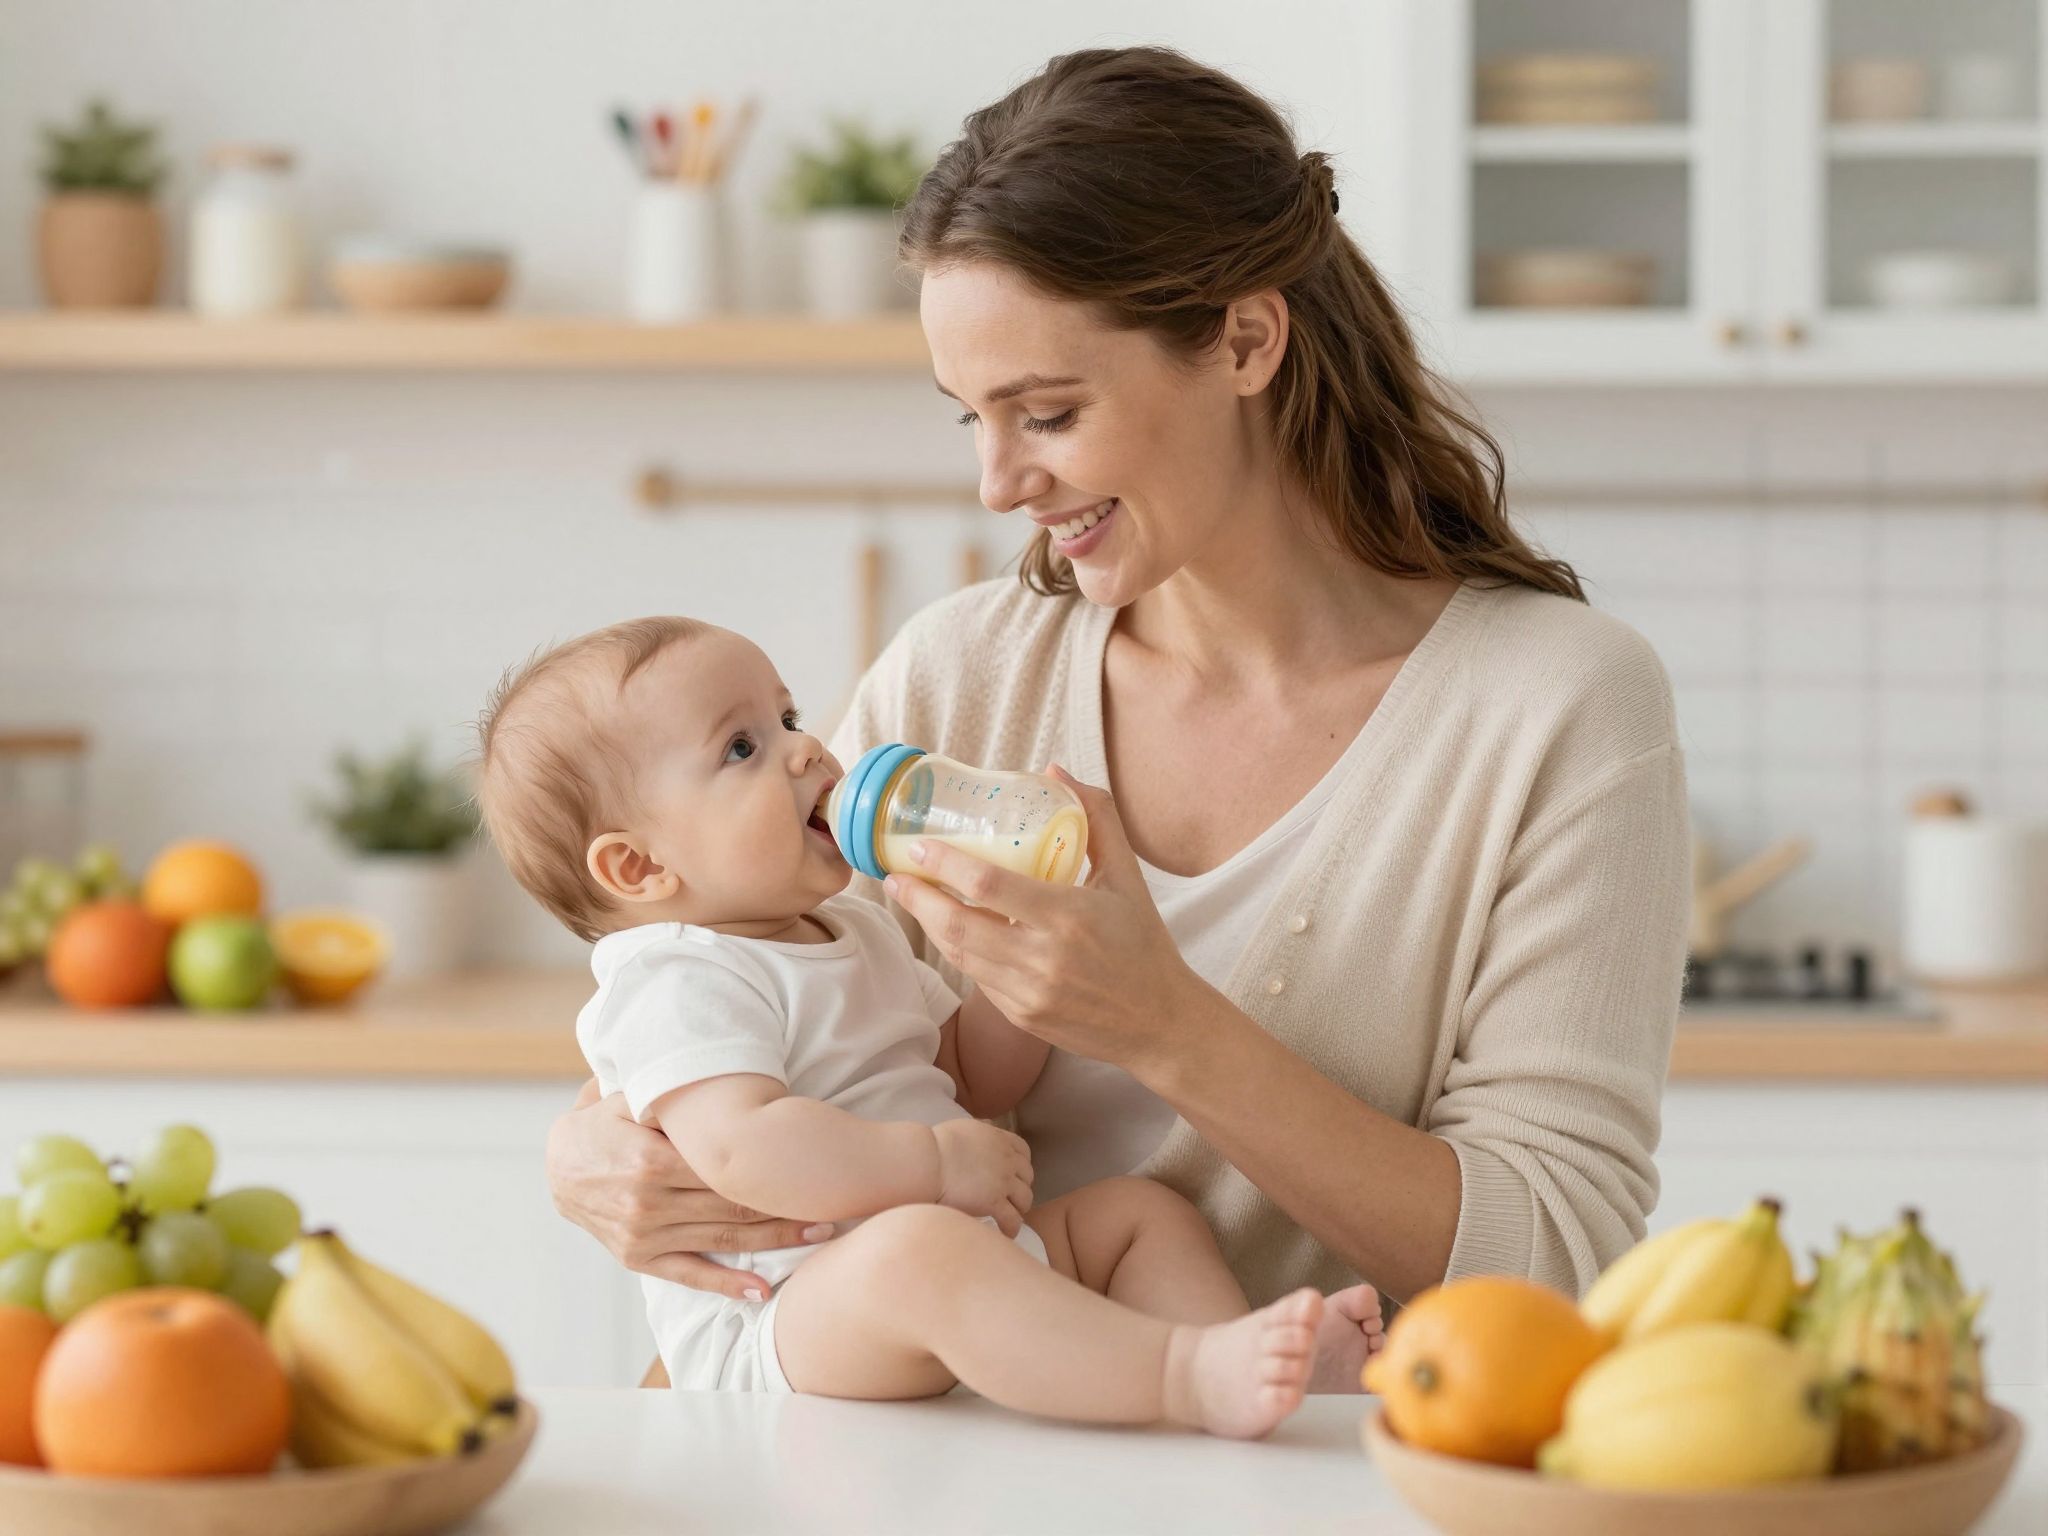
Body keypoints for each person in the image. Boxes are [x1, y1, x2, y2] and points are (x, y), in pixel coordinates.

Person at [546, 45, 1689, 1334]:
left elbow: (1555, 1265)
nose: (996, 484)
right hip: (933, 1463)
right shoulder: (958, 674)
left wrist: (1164, 1028)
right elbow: (729, 1001)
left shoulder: (1556, 710)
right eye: (966, 418)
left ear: (1246, 339)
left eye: (1043, 412)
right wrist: (586, 1150)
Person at [477, 616, 1383, 1435]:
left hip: (966, 1257)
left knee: (1137, 1217)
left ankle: (1270, 1388)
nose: (806, 753)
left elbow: (968, 1072)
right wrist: (935, 1165)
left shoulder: (857, 926)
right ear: (639, 866)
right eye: (743, 747)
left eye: (789, 719)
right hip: (787, 1331)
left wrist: (1022, 970)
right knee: (921, 1248)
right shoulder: (674, 975)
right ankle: (1188, 1377)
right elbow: (743, 1150)